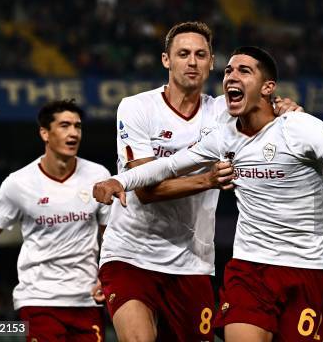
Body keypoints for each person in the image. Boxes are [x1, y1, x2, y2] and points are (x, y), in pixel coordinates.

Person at [94, 46, 323, 341]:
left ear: (268, 88)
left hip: (306, 269)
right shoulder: (225, 136)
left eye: (244, 71)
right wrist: (120, 181)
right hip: (250, 268)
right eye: (229, 70)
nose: (231, 76)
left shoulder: (301, 129)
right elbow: (169, 166)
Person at [98, 22, 301, 342]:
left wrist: (285, 108)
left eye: (200, 54)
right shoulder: (137, 107)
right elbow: (147, 191)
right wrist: (208, 180)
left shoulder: (224, 110)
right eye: (183, 54)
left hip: (192, 263)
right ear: (166, 60)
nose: (192, 61)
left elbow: (273, 115)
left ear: (211, 62)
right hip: (131, 255)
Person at [0, 99, 110, 341]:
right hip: (39, 299)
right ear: (45, 133)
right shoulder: (18, 183)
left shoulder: (99, 175)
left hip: (87, 298)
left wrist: (107, 276)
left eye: (77, 126)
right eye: (65, 126)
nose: (73, 133)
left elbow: (109, 233)